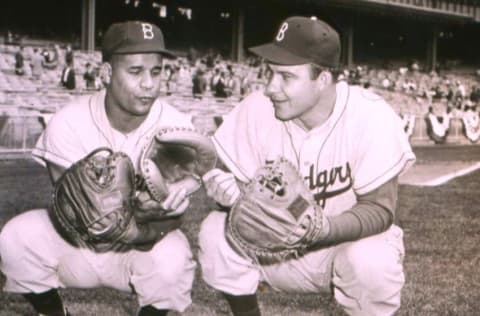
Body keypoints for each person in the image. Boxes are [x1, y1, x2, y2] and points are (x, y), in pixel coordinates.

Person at [199, 16, 416, 316]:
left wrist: (321, 230)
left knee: (373, 259)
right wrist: (228, 195)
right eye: (270, 73)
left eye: (286, 77)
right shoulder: (255, 109)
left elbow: (380, 209)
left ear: (323, 79)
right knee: (215, 230)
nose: (271, 87)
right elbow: (231, 181)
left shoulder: (370, 115)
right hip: (271, 246)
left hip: (340, 248)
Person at [0, 21, 197, 316]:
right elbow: (71, 213)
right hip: (76, 247)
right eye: (135, 71)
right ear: (106, 73)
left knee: (174, 258)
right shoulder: (68, 121)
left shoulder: (177, 126)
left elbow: (173, 217)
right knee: (17, 237)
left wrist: (155, 218)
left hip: (140, 250)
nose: (149, 83)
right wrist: (140, 212)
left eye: (156, 71)